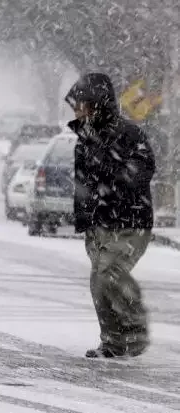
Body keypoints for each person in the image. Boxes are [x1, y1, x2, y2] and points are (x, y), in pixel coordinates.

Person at [65, 72, 155, 359]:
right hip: (99, 224)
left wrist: (113, 181)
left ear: (97, 104)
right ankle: (114, 342)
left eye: (81, 104)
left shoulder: (129, 135)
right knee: (99, 283)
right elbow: (82, 183)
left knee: (110, 273)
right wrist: (84, 218)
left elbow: (143, 169)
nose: (77, 110)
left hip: (130, 222)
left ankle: (135, 331)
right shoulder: (84, 140)